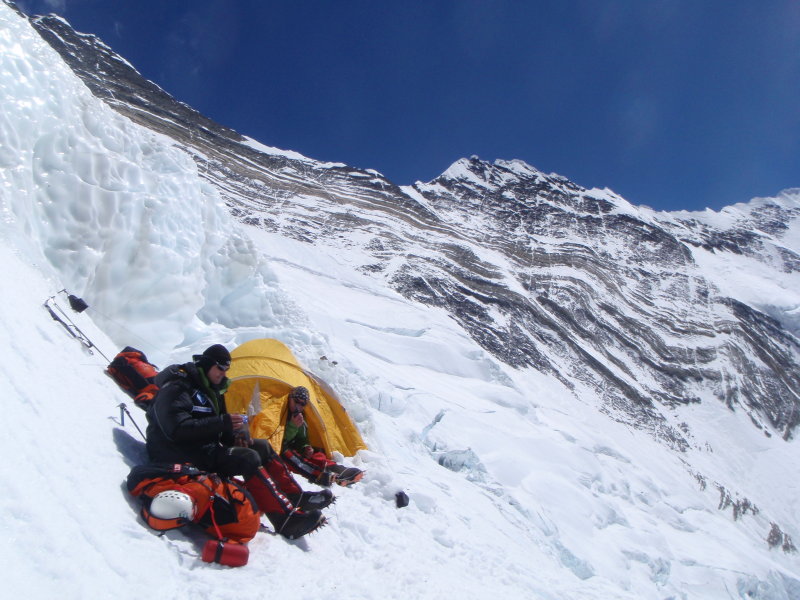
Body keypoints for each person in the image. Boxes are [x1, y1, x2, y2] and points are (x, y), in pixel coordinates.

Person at [145, 344, 333, 539]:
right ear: (207, 364)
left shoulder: (212, 389)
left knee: (261, 446)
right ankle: (285, 520)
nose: (223, 373)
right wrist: (222, 422)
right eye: (220, 368)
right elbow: (176, 430)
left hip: (201, 448)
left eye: (226, 369)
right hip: (176, 452)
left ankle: (295, 496)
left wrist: (235, 436)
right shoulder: (178, 387)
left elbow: (217, 428)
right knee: (247, 458)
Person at [281, 386, 364, 487]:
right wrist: (293, 426)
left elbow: (301, 438)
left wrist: (305, 447)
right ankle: (321, 476)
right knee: (290, 456)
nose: (299, 406)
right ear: (290, 398)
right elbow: (279, 441)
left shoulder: (299, 416)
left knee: (317, 453)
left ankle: (337, 469)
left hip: (293, 447)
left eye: (303, 404)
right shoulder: (281, 412)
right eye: (296, 402)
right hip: (282, 450)